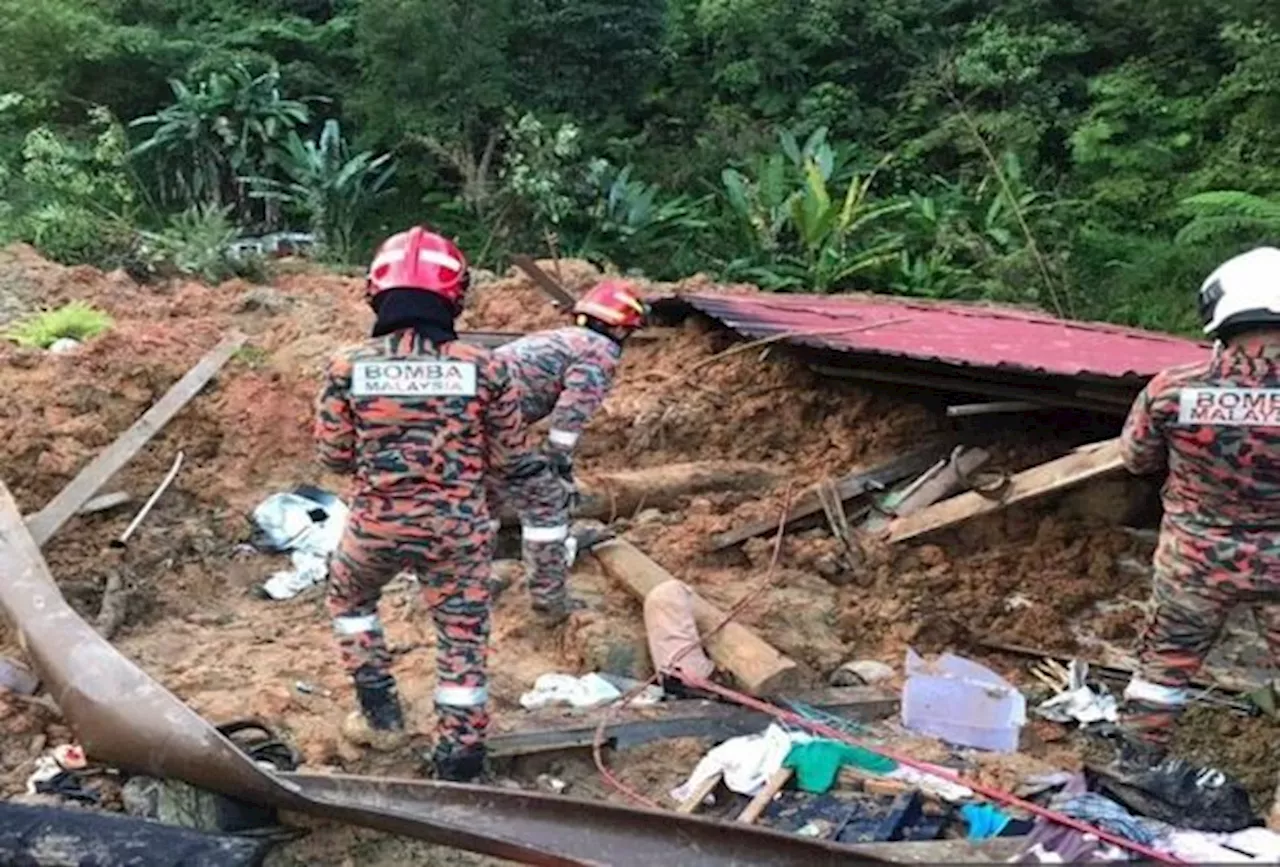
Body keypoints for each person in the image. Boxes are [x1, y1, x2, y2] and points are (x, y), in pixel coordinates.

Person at [314, 226, 541, 782]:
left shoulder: (347, 366)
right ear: (455, 294)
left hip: (376, 526)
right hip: (459, 531)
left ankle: (379, 707)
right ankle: (460, 758)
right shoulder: (486, 367)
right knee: (462, 636)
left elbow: (334, 457)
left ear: (376, 291)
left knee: (348, 599)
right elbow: (511, 457)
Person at [1117, 246, 1280, 762]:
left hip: (1194, 563)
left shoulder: (1172, 390)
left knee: (1161, 675)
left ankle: (1136, 772)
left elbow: (1137, 460)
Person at [489, 279, 650, 625]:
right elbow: (569, 415)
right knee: (546, 504)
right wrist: (557, 462)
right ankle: (550, 604)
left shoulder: (557, 339)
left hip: (461, 421)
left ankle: (471, 581)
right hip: (490, 423)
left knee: (481, 498)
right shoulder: (599, 352)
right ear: (621, 328)